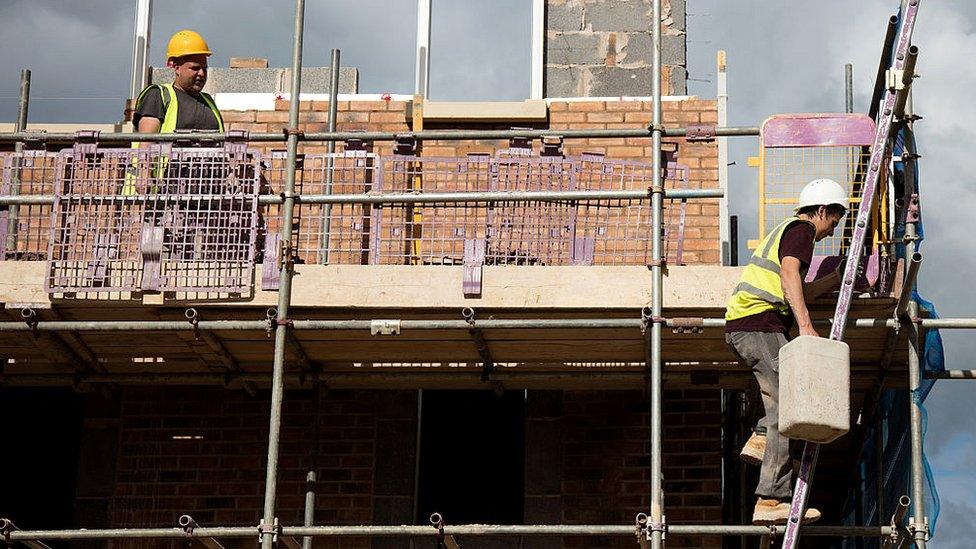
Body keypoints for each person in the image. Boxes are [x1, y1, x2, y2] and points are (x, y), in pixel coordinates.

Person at [724, 178, 849, 525]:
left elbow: (797, 286)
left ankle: (762, 437)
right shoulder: (802, 230)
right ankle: (771, 499)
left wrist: (832, 280)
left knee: (782, 404)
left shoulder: (786, 232)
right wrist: (806, 326)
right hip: (758, 323)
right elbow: (789, 274)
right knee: (788, 405)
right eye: (833, 221)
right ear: (821, 211)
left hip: (752, 325)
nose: (830, 231)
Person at [133, 29, 223, 134]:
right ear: (177, 68)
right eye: (195, 68)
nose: (202, 73)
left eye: (204, 68)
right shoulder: (157, 96)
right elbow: (146, 145)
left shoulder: (209, 102)